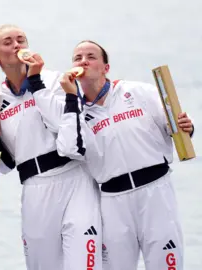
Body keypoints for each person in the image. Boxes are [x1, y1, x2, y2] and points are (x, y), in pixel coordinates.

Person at [59, 40, 194, 270]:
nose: (83, 61)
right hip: (113, 200)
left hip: (155, 192)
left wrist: (187, 127)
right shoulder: (74, 111)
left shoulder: (139, 92)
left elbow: (176, 127)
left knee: (167, 264)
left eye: (91, 56)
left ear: (105, 68)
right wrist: (72, 99)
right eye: (77, 58)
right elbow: (69, 148)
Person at [0, 24, 102, 270]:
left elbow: (63, 125)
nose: (17, 46)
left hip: (74, 179)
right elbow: (4, 164)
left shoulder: (57, 80)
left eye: (21, 40)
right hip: (34, 188)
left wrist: (36, 82)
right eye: (8, 42)